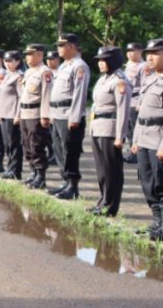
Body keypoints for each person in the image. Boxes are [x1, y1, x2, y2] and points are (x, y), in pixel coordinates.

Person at [46, 33, 90, 200]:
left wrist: (75, 117)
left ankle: (73, 186)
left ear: (71, 46)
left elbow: (79, 94)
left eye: (61, 45)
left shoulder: (79, 66)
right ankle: (65, 181)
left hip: (68, 114)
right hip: (57, 114)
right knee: (59, 149)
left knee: (70, 151)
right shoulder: (64, 65)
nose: (58, 49)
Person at [88, 46, 130, 216]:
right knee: (101, 169)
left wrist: (120, 136)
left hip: (110, 129)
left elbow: (123, 110)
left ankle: (111, 206)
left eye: (103, 60)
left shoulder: (120, 81)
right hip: (98, 127)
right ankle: (103, 200)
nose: (100, 63)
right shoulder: (103, 79)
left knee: (112, 170)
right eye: (99, 60)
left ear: (113, 61)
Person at [131, 38, 163, 240]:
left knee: (161, 182)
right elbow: (140, 114)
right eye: (149, 53)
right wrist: (135, 139)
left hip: (159, 138)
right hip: (143, 137)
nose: (150, 57)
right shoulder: (150, 78)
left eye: (156, 53)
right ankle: (157, 221)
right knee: (146, 180)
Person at [19, 44, 53, 189]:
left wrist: (45, 116)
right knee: (26, 144)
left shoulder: (45, 72)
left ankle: (40, 176)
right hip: (25, 113)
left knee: (37, 145)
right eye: (26, 54)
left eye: (30, 54)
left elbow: (47, 95)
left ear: (39, 55)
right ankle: (33, 172)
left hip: (35, 113)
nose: (27, 57)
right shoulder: (28, 72)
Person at [0, 50, 24, 180]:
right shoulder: (6, 75)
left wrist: (18, 115)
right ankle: (10, 168)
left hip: (12, 114)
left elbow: (20, 97)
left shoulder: (19, 76)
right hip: (4, 114)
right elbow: (0, 95)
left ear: (17, 62)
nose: (7, 64)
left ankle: (15, 170)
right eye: (5, 61)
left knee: (13, 144)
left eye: (10, 61)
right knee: (7, 143)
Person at [123, 43, 147, 163]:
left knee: (135, 128)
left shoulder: (143, 66)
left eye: (133, 51)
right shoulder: (129, 65)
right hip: (127, 101)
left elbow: (144, 86)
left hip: (136, 100)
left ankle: (137, 154)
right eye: (128, 51)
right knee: (128, 129)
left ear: (140, 51)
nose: (130, 53)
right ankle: (132, 151)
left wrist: (141, 103)